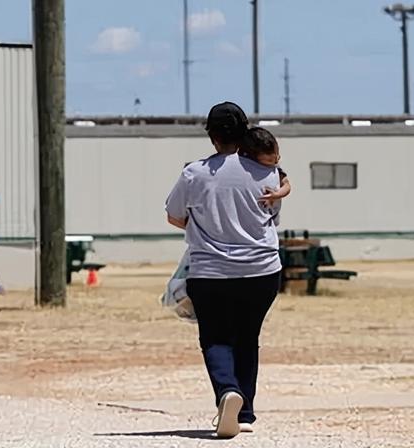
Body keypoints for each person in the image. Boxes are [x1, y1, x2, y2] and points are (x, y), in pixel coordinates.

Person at [165, 102, 283, 438]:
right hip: (262, 270)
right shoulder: (267, 172)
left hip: (210, 271)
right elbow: (272, 218)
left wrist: (202, 223)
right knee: (248, 337)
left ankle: (227, 392)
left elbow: (174, 216)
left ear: (212, 136)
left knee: (215, 336)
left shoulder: (194, 172)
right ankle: (244, 414)